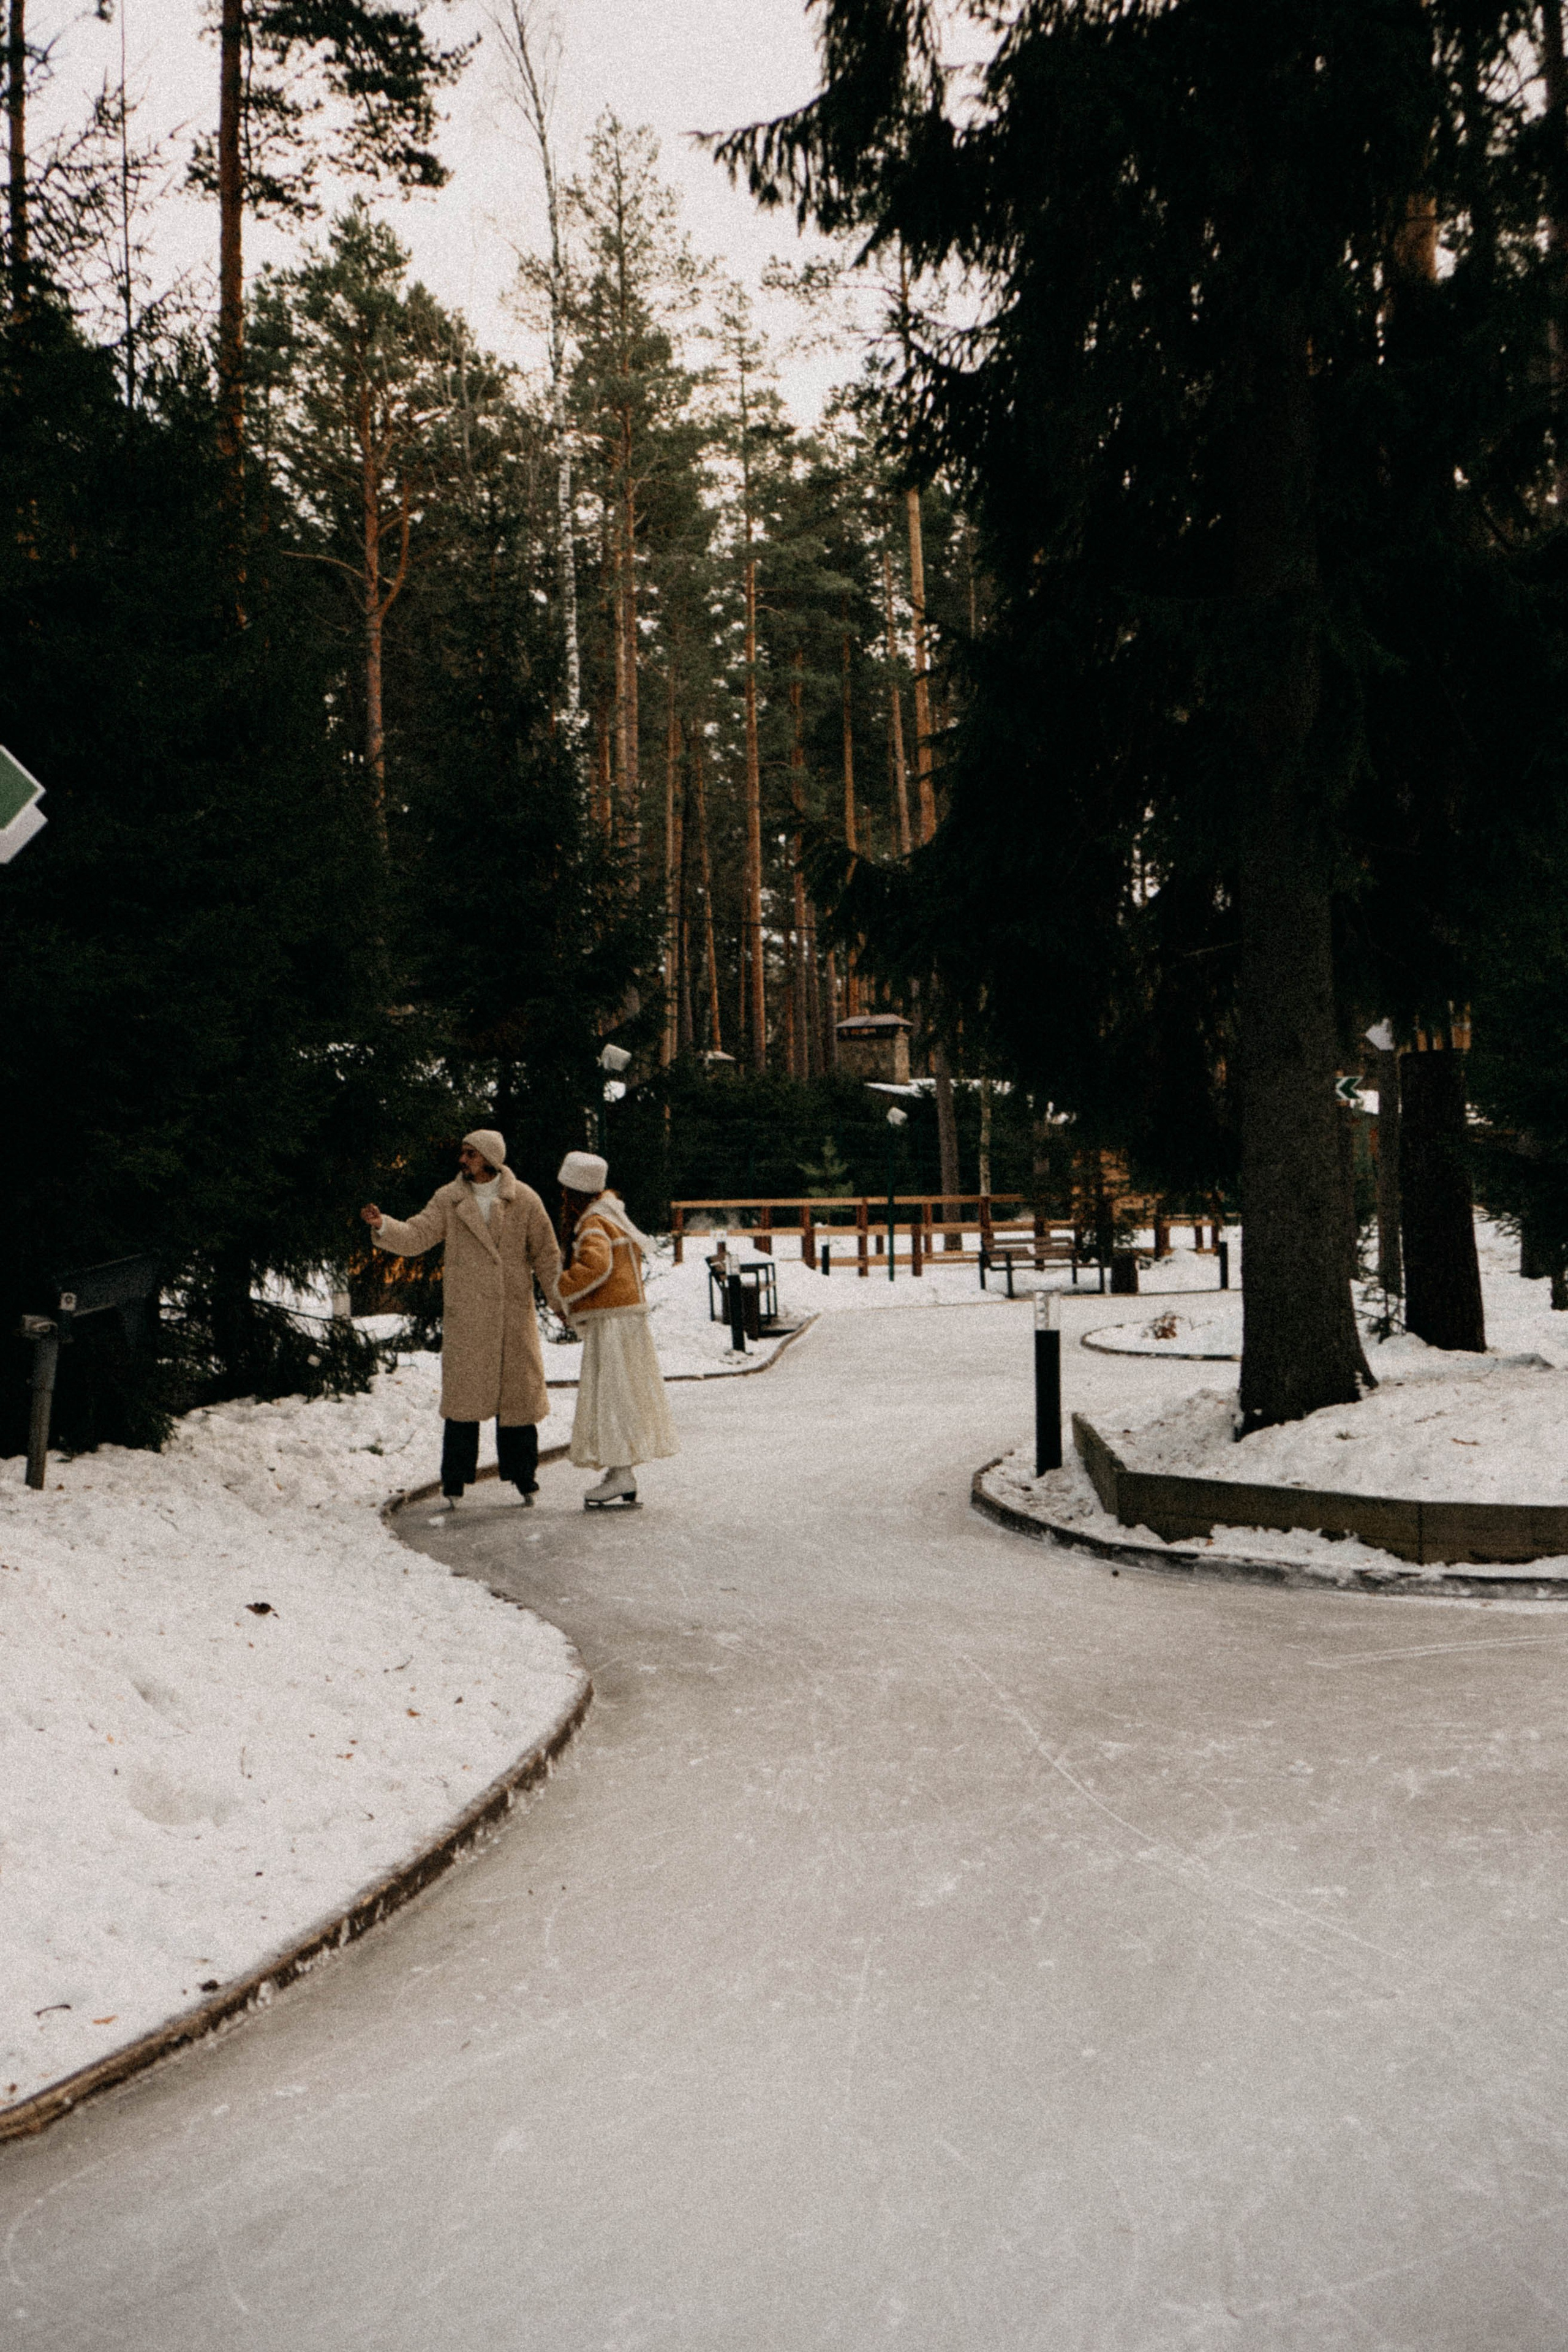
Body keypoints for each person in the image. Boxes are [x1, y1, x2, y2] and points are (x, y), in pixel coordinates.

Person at [360, 1130, 562, 1510]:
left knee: (517, 1404)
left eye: (470, 1154)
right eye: (463, 1153)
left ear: (489, 1158)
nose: (462, 1160)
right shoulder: (449, 1199)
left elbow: (547, 1256)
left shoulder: (525, 1200)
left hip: (511, 1317)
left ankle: (525, 1479)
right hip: (468, 1317)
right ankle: (454, 1483)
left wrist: (559, 1301)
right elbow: (418, 1234)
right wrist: (383, 1226)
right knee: (463, 1405)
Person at [554, 1149, 677, 1509]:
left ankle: (622, 1471)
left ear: (575, 1192)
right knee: (619, 1392)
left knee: (613, 1394)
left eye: (566, 1191)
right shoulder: (612, 1215)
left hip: (614, 1322)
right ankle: (621, 1469)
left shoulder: (595, 1223)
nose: (562, 1198)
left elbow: (597, 1266)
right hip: (623, 1320)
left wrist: (563, 1288)